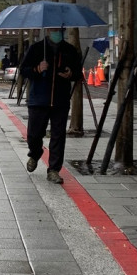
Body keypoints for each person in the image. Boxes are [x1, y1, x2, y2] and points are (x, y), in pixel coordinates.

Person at [19, 29, 83, 184]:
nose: (57, 32)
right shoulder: (36, 48)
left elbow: (78, 73)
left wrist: (71, 73)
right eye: (54, 29)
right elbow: (24, 70)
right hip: (38, 100)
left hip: (60, 101)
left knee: (58, 137)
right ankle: (35, 153)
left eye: (60, 29)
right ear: (47, 30)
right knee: (34, 135)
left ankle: (54, 170)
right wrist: (37, 69)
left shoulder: (69, 50)